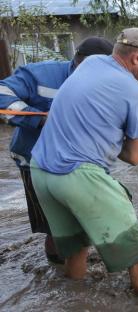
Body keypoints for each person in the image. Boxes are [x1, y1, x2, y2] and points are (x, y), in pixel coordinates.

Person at [30, 27, 138, 296]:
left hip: (40, 172)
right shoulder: (137, 92)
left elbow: (100, 111)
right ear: (137, 58)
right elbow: (132, 157)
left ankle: (77, 300)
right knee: (136, 248)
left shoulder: (92, 63)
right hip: (78, 175)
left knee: (76, 247)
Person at [0, 36, 114, 263]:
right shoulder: (41, 75)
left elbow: (133, 126)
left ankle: (77, 263)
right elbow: (2, 93)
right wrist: (41, 120)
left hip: (83, 162)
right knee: (54, 226)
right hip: (34, 162)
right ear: (80, 62)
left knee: (90, 217)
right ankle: (58, 270)